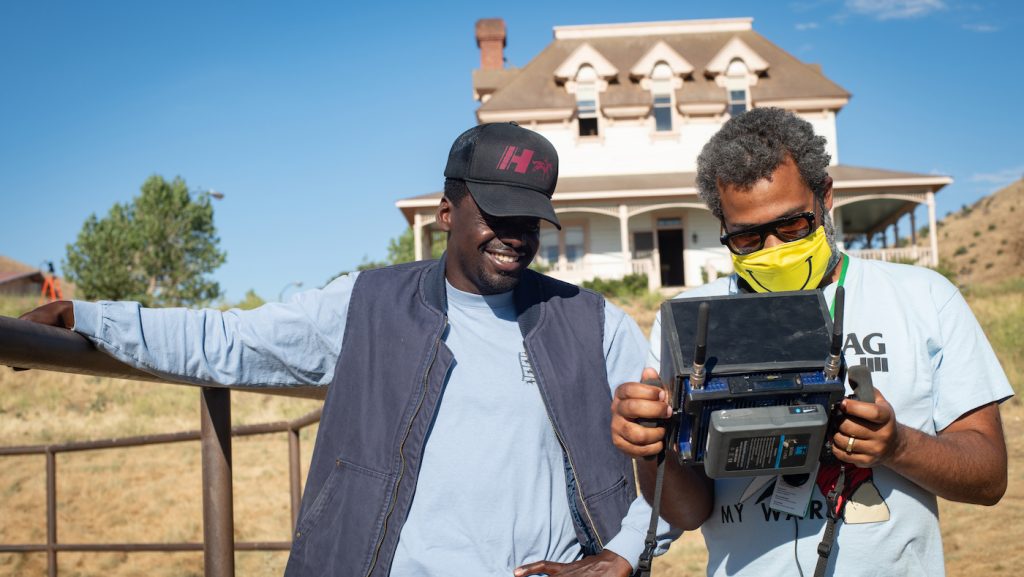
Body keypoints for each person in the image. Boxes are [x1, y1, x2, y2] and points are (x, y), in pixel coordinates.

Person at [22, 122, 680, 577]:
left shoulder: (591, 322)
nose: (514, 235)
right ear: (448, 210)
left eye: (530, 218)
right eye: (496, 213)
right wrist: (89, 318)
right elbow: (226, 341)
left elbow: (673, 452)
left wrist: (622, 553)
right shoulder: (365, 305)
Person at [610, 108, 1011, 576]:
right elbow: (687, 513)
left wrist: (897, 445)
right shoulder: (689, 320)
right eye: (746, 238)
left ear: (826, 197)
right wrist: (652, 449)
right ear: (722, 227)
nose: (774, 250)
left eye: (793, 226)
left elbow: (989, 478)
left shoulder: (924, 298)